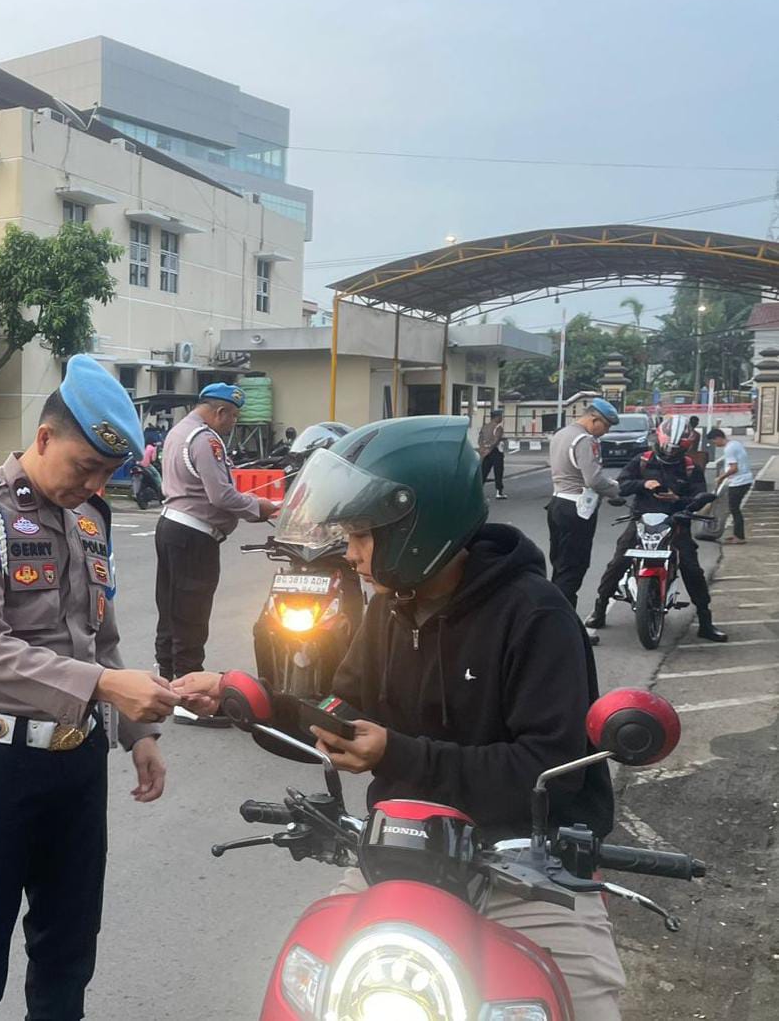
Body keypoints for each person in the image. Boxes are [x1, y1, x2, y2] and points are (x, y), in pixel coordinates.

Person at [175, 415, 623, 1018]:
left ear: (418, 528)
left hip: (530, 871)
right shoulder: (390, 609)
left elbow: (549, 767)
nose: (351, 554)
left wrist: (398, 754)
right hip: (404, 856)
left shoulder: (537, 617)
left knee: (583, 1005)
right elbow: (345, 710)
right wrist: (252, 701)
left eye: (362, 536)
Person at [0, 355, 183, 1021]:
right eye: (85, 466)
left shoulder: (90, 519)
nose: (93, 484)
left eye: (107, 474)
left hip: (78, 764)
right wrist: (106, 686)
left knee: (67, 956)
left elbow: (101, 636)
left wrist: (140, 733)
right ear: (43, 438)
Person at [155, 383, 279, 724]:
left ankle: (167, 685)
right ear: (220, 412)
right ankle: (189, 699)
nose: (233, 423)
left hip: (172, 527)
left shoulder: (179, 431)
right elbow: (221, 496)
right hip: (194, 535)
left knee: (171, 612)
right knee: (191, 616)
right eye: (233, 417)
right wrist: (259, 508)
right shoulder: (205, 439)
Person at [587, 416, 727, 642]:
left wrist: (679, 499)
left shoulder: (690, 467)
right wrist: (644, 484)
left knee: (691, 568)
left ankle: (705, 620)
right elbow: (622, 485)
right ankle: (600, 608)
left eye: (676, 449)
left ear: (685, 447)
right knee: (618, 562)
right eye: (668, 447)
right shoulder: (642, 460)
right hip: (641, 520)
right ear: (659, 440)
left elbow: (699, 496)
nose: (671, 452)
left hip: (676, 522)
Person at [546, 399, 622, 644]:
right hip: (577, 509)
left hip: (557, 504)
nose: (605, 432)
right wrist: (616, 490)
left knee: (560, 568)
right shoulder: (584, 440)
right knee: (573, 569)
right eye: (606, 426)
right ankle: (564, 632)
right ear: (594, 419)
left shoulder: (561, 434)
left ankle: (557, 624)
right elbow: (593, 480)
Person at [707, 426, 753, 544]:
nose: (715, 444)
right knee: (734, 508)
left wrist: (721, 477)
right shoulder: (735, 443)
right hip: (745, 479)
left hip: (739, 481)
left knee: (734, 509)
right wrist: (723, 476)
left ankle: (739, 537)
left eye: (714, 442)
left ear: (718, 438)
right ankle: (737, 535)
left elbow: (734, 468)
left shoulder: (729, 449)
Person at [477, 407, 507, 499]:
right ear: (496, 417)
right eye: (500, 416)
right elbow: (496, 440)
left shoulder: (484, 427)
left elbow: (480, 439)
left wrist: (483, 449)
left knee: (484, 472)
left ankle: (477, 491)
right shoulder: (499, 427)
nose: (501, 418)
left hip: (485, 452)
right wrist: (490, 448)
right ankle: (499, 492)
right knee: (498, 471)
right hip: (496, 451)